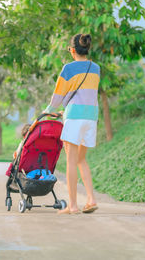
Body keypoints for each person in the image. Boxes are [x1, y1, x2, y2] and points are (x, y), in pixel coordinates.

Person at [44, 33, 100, 214]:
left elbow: (58, 96)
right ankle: (91, 199)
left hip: (75, 117)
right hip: (91, 117)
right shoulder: (96, 68)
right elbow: (87, 95)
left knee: (71, 161)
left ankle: (73, 206)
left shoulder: (68, 68)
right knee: (81, 159)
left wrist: (49, 110)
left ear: (73, 50)